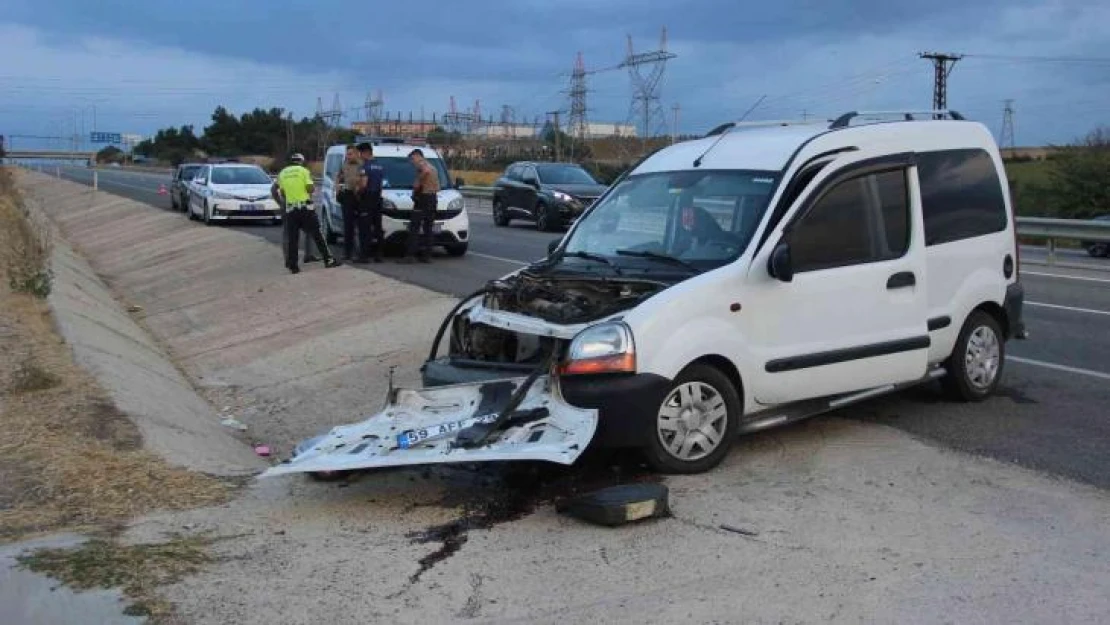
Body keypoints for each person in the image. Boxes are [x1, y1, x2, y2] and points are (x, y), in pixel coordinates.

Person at [272, 153, 340, 274]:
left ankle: (293, 266)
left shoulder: (282, 173)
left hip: (290, 210)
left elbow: (282, 192)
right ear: (301, 162)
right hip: (305, 208)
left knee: (293, 239)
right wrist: (309, 189)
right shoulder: (303, 171)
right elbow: (310, 188)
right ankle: (329, 260)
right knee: (317, 234)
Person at [402, 148, 439, 263]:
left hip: (423, 198)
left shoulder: (422, 165)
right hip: (432, 198)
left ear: (418, 156)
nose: (412, 162)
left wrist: (417, 182)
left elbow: (426, 172)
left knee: (414, 227)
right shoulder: (433, 166)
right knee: (428, 228)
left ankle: (410, 255)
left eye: (412, 159)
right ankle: (427, 255)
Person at [355, 142, 385, 263]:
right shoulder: (380, 166)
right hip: (377, 198)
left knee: (364, 228)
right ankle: (379, 255)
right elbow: (381, 184)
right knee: (378, 228)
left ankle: (364, 256)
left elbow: (363, 184)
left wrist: (358, 192)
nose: (360, 156)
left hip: (367, 198)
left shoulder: (365, 167)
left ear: (365, 152)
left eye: (360, 153)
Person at [334, 144, 364, 262]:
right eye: (347, 154)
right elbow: (338, 176)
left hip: (359, 196)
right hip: (347, 195)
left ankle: (359, 252)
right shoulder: (345, 164)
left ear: (357, 154)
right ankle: (347, 253)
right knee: (348, 225)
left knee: (360, 226)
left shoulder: (362, 165)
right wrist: (337, 188)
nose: (348, 156)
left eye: (350, 154)